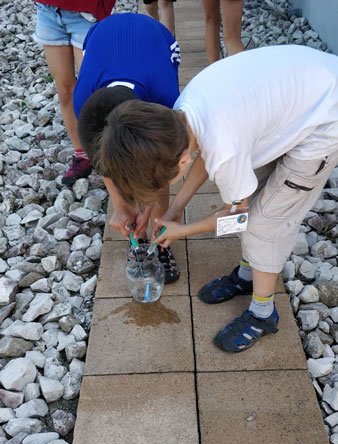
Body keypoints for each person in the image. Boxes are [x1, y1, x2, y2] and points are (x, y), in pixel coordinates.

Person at [91, 44, 338, 352]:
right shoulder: (180, 115)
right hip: (295, 94)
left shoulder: (224, 148)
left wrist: (184, 230)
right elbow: (203, 153)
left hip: (326, 119)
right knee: (254, 187)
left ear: (180, 163)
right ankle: (249, 274)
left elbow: (238, 218)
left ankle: (263, 312)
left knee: (264, 223)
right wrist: (175, 210)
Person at [75, 12, 181, 283]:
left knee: (154, 158)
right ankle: (140, 238)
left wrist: (149, 207)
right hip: (101, 35)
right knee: (125, 165)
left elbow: (163, 160)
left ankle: (159, 240)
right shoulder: (84, 105)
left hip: (154, 38)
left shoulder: (166, 98)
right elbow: (104, 161)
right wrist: (121, 204)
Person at [33, 0, 115, 186]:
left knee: (94, 91)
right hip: (48, 11)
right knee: (64, 89)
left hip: (85, 14)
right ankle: (82, 153)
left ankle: (109, 151)